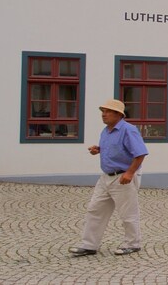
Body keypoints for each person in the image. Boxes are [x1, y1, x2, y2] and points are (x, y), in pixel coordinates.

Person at [68, 99, 148, 257]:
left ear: (118, 114)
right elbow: (114, 148)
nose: (103, 115)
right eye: (102, 111)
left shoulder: (128, 130)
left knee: (127, 213)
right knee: (95, 209)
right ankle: (89, 245)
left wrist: (130, 173)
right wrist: (98, 149)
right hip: (105, 176)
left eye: (107, 111)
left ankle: (133, 244)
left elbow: (140, 153)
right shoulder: (106, 131)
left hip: (123, 176)